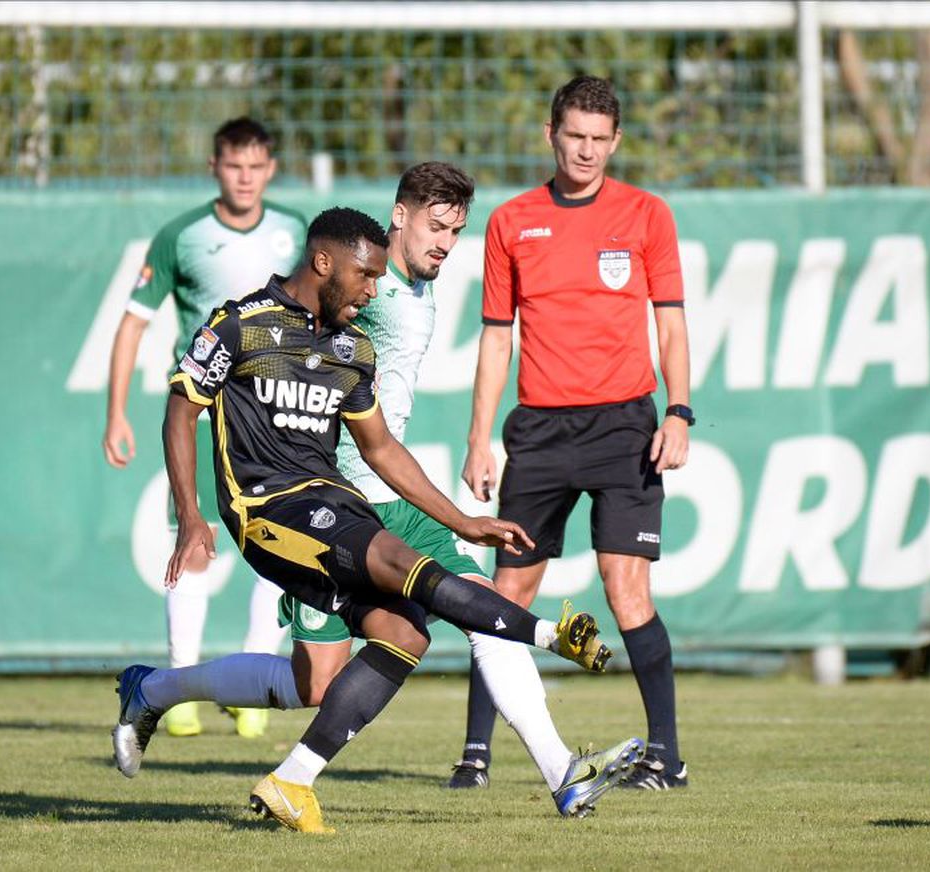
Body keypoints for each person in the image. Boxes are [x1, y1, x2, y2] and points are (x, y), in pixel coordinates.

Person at [111, 166, 643, 825]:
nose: (447, 242)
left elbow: (381, 441)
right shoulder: (363, 285)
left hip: (370, 499)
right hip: (312, 510)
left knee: (366, 659)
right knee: (367, 657)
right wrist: (193, 511)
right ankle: (556, 707)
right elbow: (279, 319)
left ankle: (560, 772)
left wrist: (462, 515)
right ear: (397, 219)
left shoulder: (389, 304)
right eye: (435, 226)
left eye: (457, 230)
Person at [455, 75, 693, 790]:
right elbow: (497, 340)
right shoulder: (511, 222)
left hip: (626, 427)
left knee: (627, 596)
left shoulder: (648, 214)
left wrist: (679, 411)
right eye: (574, 136)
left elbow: (671, 324)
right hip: (540, 434)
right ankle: (475, 755)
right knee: (505, 597)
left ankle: (667, 759)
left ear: (615, 141)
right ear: (550, 135)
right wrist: (478, 438)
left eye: (599, 139)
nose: (585, 151)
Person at [103, 117, 302, 740]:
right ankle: (180, 686)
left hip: (274, 408)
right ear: (215, 167)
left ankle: (250, 685)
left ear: (270, 169)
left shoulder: (295, 232)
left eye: (256, 166)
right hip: (204, 409)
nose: (245, 177)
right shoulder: (181, 236)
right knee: (192, 531)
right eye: (233, 165)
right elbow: (133, 321)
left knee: (280, 541)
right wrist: (115, 412)